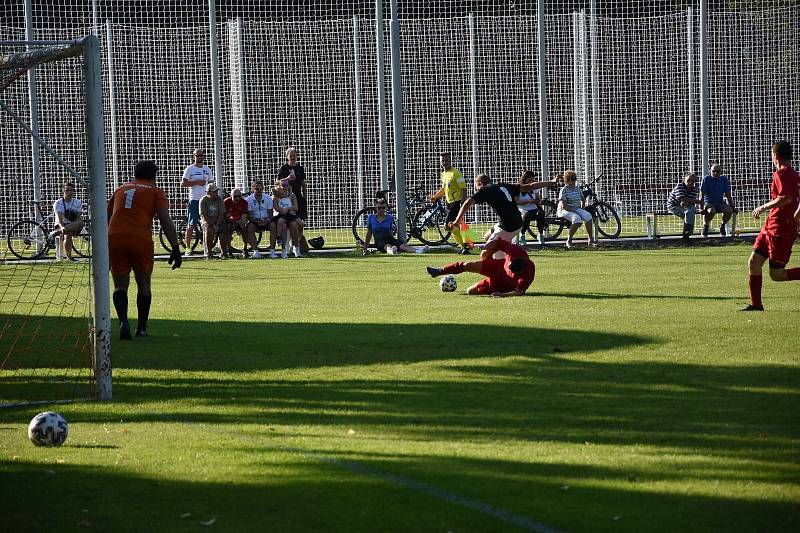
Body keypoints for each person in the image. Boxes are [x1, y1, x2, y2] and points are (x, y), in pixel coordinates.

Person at [107, 160, 182, 340]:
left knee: (120, 285)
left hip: (114, 237)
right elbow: (165, 220)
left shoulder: (120, 189)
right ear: (153, 176)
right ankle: (141, 329)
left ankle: (123, 321)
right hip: (140, 238)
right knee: (144, 283)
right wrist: (175, 247)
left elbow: (107, 216)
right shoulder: (155, 191)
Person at [743, 141, 800, 311]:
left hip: (781, 231)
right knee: (753, 263)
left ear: (775, 155)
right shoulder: (795, 175)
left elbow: (786, 198)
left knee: (777, 275)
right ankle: (756, 305)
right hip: (770, 227)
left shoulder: (781, 174)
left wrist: (762, 207)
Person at [451, 172, 556, 256]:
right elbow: (530, 186)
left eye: (476, 186)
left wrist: (456, 221)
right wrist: (551, 182)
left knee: (484, 254)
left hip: (508, 227)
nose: (476, 190)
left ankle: (514, 257)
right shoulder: (503, 185)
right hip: (518, 222)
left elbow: (466, 204)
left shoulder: (485, 190)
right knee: (487, 237)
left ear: (480, 184)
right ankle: (507, 253)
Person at [426, 238, 535, 297]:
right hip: (497, 267)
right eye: (510, 267)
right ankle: (438, 271)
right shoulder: (516, 251)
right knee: (467, 265)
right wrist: (486, 248)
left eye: (512, 272)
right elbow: (497, 242)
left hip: (501, 286)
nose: (510, 271)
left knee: (470, 292)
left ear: (520, 271)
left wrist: (502, 295)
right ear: (512, 259)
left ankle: (487, 286)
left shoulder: (527, 275)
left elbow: (519, 292)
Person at [428, 152, 469, 253]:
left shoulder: (456, 173)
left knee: (447, 225)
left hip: (457, 202)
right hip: (449, 203)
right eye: (442, 161)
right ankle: (465, 247)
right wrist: (435, 197)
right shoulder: (444, 174)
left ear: (450, 161)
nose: (444, 163)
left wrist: (463, 203)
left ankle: (466, 245)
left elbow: (463, 188)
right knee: (454, 226)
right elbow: (443, 189)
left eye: (446, 160)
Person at [363, 198, 429, 255]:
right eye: (379, 208)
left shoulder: (390, 217)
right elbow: (369, 233)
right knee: (387, 246)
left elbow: (390, 231)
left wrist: (394, 240)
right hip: (379, 240)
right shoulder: (371, 218)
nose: (381, 210)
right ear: (376, 208)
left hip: (389, 238)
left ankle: (418, 251)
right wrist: (365, 247)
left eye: (383, 208)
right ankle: (392, 252)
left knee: (402, 245)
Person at [181, 148, 215, 255]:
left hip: (206, 200)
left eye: (201, 155)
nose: (199, 157)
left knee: (209, 223)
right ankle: (187, 247)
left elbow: (211, 184)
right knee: (191, 224)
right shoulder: (190, 169)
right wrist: (196, 182)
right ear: (194, 156)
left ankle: (208, 248)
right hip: (194, 199)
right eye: (197, 155)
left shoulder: (207, 169)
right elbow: (183, 183)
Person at [277, 147, 308, 250]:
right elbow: (277, 182)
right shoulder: (284, 168)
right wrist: (287, 178)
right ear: (287, 157)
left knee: (300, 222)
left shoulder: (300, 168)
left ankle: (297, 244)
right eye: (291, 156)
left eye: (294, 155)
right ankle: (286, 244)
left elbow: (303, 184)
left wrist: (305, 197)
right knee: (287, 222)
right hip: (286, 198)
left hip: (298, 197)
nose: (293, 157)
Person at [556, 170, 597, 248]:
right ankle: (569, 241)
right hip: (564, 210)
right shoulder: (564, 190)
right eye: (572, 179)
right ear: (567, 180)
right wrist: (577, 211)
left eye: (574, 179)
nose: (574, 181)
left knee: (588, 216)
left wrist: (582, 208)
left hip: (575, 208)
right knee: (577, 218)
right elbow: (564, 206)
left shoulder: (577, 189)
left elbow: (582, 199)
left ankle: (591, 240)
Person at [49, 182, 85, 261]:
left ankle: (55, 233)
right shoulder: (58, 203)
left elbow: (77, 219)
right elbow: (60, 220)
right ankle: (69, 257)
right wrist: (63, 228)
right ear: (63, 191)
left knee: (81, 223)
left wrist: (70, 226)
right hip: (61, 225)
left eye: (71, 190)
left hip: (73, 224)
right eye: (67, 190)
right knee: (69, 233)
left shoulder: (78, 202)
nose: (69, 192)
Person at [699, 163, 736, 237]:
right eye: (713, 171)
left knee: (729, 210)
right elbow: (701, 195)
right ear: (710, 172)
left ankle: (722, 226)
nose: (715, 173)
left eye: (718, 171)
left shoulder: (724, 179)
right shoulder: (706, 179)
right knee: (711, 211)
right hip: (708, 202)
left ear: (721, 172)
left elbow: (728, 194)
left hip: (720, 203)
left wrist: (732, 206)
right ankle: (706, 226)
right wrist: (701, 208)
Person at [272, 179, 304, 258]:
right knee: (282, 224)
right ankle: (281, 244)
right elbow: (276, 208)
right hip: (281, 215)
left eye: (286, 185)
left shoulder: (291, 195)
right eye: (283, 185)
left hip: (290, 214)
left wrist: (288, 209)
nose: (285, 187)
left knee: (299, 224)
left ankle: (296, 245)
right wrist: (282, 210)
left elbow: (295, 208)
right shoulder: (275, 196)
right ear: (279, 186)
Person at [245, 181, 276, 259]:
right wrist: (256, 221)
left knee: (273, 226)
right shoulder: (248, 199)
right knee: (250, 228)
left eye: (261, 188)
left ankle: (272, 251)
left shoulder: (268, 198)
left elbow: (270, 214)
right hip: (254, 221)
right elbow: (249, 215)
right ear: (252, 189)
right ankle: (256, 252)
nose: (259, 190)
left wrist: (267, 220)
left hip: (266, 220)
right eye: (256, 188)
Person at [515, 170, 547, 246]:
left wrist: (538, 200)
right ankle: (522, 235)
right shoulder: (518, 188)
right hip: (522, 208)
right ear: (524, 179)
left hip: (534, 207)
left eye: (532, 180)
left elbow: (538, 200)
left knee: (541, 213)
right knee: (527, 215)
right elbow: (516, 202)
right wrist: (528, 201)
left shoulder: (534, 187)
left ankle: (540, 234)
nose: (531, 182)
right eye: (529, 180)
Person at [667, 172, 701, 240]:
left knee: (691, 210)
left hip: (686, 207)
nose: (691, 182)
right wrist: (697, 201)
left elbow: (689, 203)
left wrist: (689, 201)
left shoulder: (694, 189)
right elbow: (682, 201)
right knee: (690, 212)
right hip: (673, 206)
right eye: (689, 180)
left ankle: (686, 232)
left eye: (693, 181)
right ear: (684, 179)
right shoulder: (680, 186)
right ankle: (688, 232)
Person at [199, 183, 228, 259]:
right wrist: (212, 224)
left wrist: (217, 225)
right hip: (207, 221)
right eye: (214, 191)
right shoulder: (203, 200)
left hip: (218, 220)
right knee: (209, 231)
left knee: (223, 231)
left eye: (216, 191)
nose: (216, 193)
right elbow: (204, 215)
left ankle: (224, 252)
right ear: (208, 192)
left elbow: (221, 213)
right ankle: (209, 252)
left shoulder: (219, 199)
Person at [223, 187, 249, 255]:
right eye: (235, 196)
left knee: (245, 228)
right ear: (230, 196)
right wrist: (234, 221)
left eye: (239, 196)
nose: (237, 198)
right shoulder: (226, 202)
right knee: (228, 228)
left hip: (239, 221)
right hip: (230, 222)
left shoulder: (244, 202)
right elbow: (227, 216)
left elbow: (244, 217)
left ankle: (245, 248)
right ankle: (229, 249)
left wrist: (241, 222)